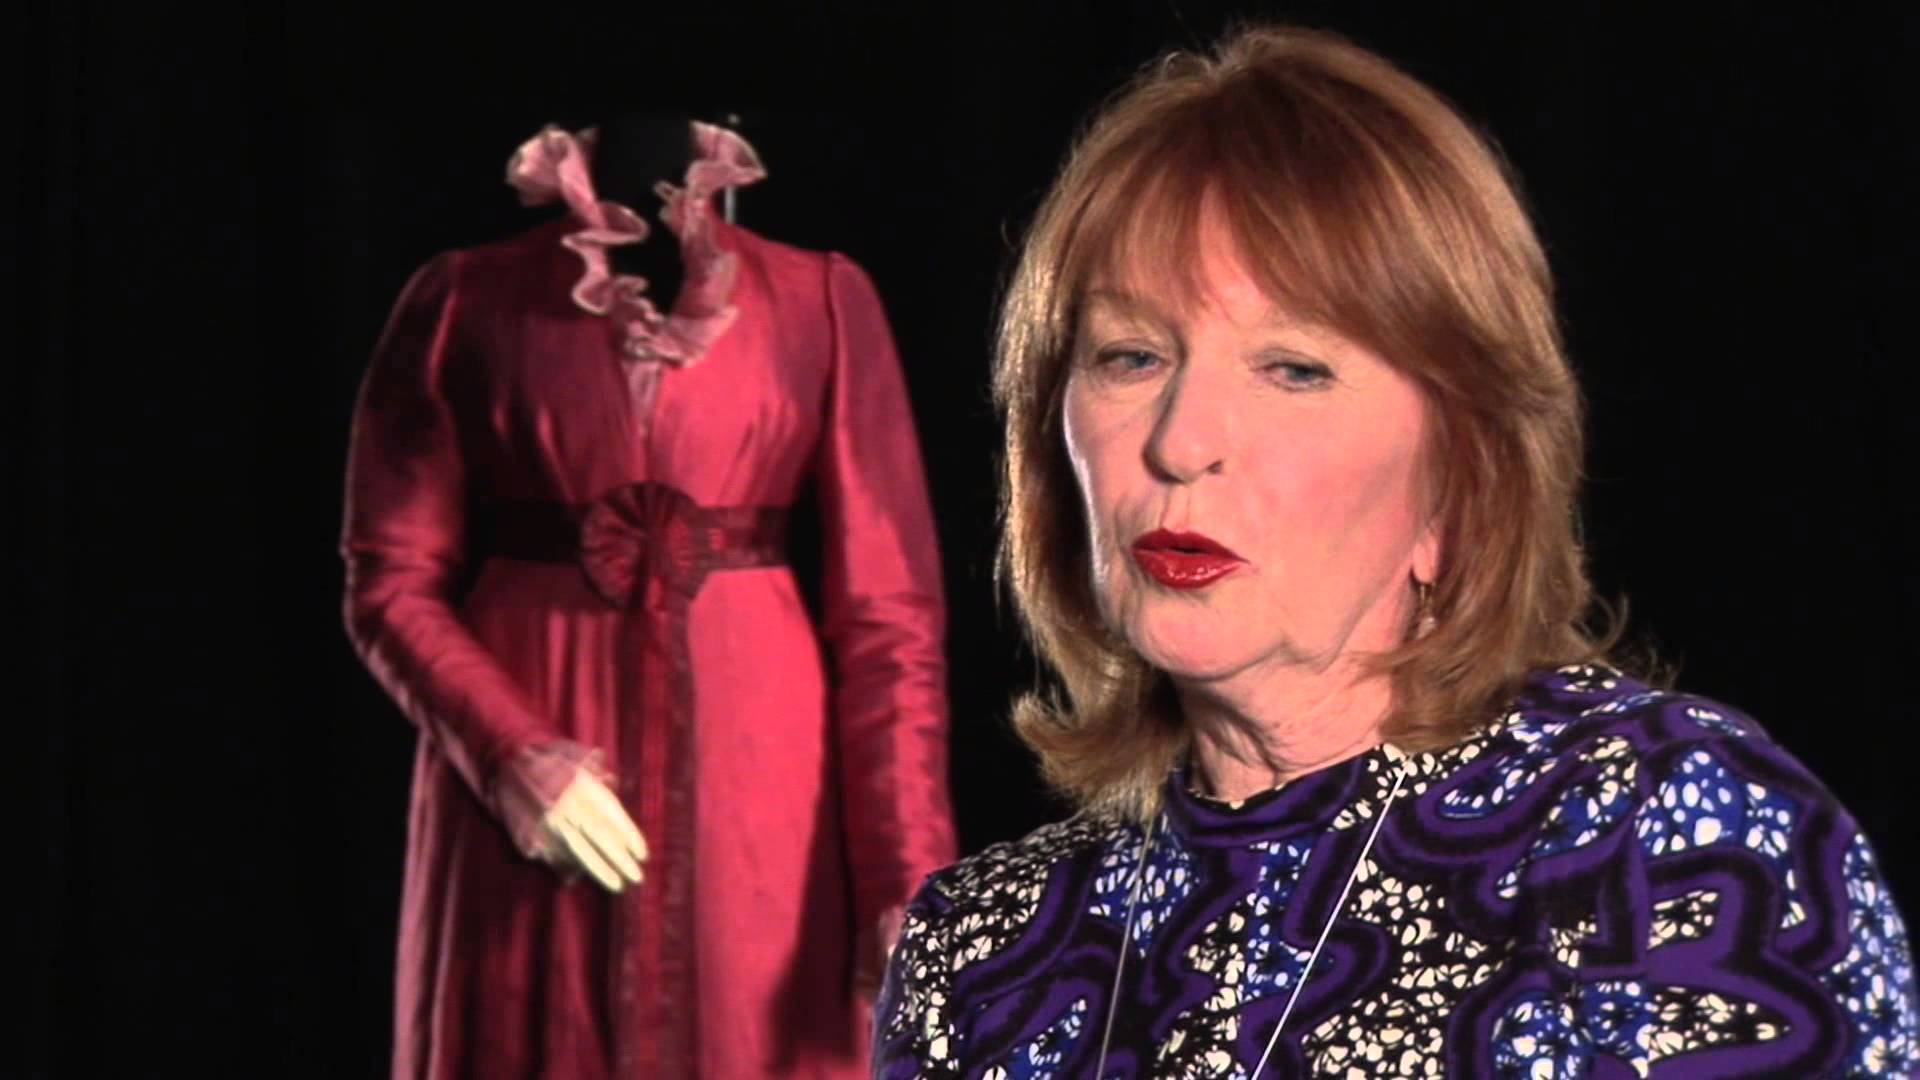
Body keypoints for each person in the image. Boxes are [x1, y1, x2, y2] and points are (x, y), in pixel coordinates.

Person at [873, 25, 1917, 1078]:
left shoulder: (1661, 835)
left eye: (1293, 368)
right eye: (1131, 355)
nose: (1180, 443)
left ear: (1462, 472)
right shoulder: (976, 950)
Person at [342, 114, 956, 1078]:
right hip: (524, 796)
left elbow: (891, 620)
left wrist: (905, 881)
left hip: (763, 787)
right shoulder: (464, 298)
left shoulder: (822, 301)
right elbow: (389, 580)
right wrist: (511, 755)